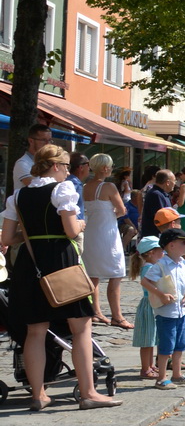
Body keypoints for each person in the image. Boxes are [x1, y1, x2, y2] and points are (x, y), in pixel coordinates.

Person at [0, 145, 120, 409]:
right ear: (55, 166)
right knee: (81, 327)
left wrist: (31, 236)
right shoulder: (61, 190)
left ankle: (38, 394)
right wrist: (81, 224)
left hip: (29, 265)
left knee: (35, 331)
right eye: (66, 166)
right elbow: (69, 230)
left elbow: (7, 238)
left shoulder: (17, 196)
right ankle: (88, 392)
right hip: (60, 262)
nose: (68, 172)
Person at [80, 153, 131, 328]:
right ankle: (117, 315)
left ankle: (95, 311)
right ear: (104, 168)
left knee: (93, 275)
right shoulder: (108, 186)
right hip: (107, 234)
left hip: (90, 234)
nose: (111, 168)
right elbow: (122, 209)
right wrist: (111, 214)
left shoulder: (84, 187)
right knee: (115, 274)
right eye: (110, 165)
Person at [146, 226, 185, 390]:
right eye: (183, 242)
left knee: (180, 344)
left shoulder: (182, 263)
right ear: (171, 245)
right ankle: (161, 378)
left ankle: (177, 374)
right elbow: (146, 282)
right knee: (166, 345)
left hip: (182, 310)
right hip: (167, 312)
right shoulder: (161, 265)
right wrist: (160, 294)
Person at [130, 236, 163, 380]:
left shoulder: (150, 266)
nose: (163, 253)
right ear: (151, 253)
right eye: (160, 250)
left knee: (152, 338)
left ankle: (150, 365)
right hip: (149, 305)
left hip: (152, 304)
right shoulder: (149, 268)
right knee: (147, 340)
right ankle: (145, 368)